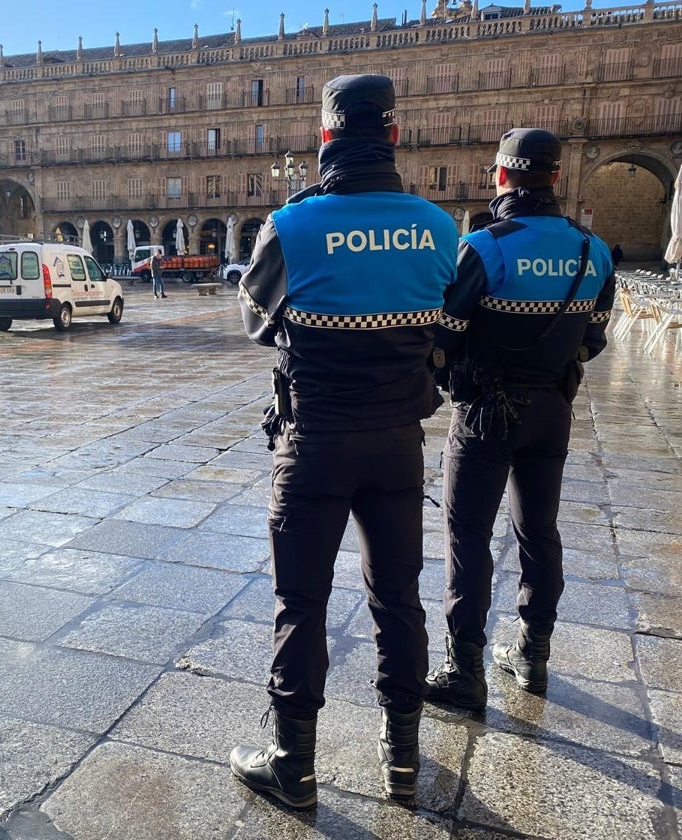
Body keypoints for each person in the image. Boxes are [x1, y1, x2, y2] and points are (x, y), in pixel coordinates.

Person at [232, 74, 458, 806]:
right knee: (398, 599)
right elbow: (450, 328)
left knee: (300, 601)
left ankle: (293, 767)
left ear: (325, 138)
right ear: (394, 135)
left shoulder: (290, 227)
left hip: (315, 444)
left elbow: (256, 322)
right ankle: (401, 764)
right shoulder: (439, 228)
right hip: (399, 443)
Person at [425, 128, 616, 711]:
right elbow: (594, 338)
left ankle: (464, 668)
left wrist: (451, 381)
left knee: (469, 535)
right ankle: (533, 653)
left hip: (485, 411)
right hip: (552, 410)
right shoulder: (595, 249)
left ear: (501, 176)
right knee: (539, 530)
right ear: (556, 177)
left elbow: (443, 336)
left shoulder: (484, 247)